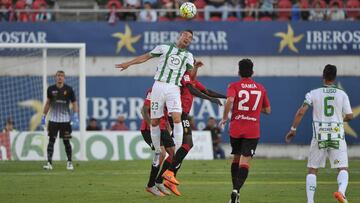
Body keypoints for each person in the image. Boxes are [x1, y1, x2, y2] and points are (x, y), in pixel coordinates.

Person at [116, 30, 199, 184]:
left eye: (191, 38)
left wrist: (196, 68)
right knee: (154, 122)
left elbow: (188, 76)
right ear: (180, 36)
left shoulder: (189, 56)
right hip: (159, 86)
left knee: (176, 117)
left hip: (174, 88)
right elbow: (146, 57)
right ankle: (156, 151)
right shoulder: (164, 47)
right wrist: (128, 63)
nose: (188, 39)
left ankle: (175, 161)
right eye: (186, 36)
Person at [285, 64, 353, 203]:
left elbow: (301, 111)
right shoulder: (342, 94)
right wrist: (340, 119)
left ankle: (310, 201)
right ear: (334, 77)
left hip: (319, 135)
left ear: (323, 76)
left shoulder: (313, 93)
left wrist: (293, 129)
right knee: (343, 168)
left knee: (312, 169)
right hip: (336, 134)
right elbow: (350, 116)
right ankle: (341, 192)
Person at [161, 70, 225, 195]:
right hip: (177, 114)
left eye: (196, 67)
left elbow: (207, 91)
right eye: (193, 66)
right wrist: (210, 99)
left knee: (179, 148)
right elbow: (192, 91)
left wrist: (226, 96)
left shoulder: (194, 81)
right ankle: (169, 172)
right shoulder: (183, 77)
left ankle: (167, 179)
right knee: (188, 144)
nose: (195, 69)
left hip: (182, 115)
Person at [219, 59, 271, 203]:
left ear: (239, 72)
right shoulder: (260, 88)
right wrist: (253, 108)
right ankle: (236, 190)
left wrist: (224, 118)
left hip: (236, 127)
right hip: (252, 129)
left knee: (236, 158)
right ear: (253, 72)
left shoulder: (234, 86)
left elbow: (229, 101)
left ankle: (236, 194)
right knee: (245, 161)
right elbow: (268, 110)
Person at [41, 70, 79, 170]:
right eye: (58, 75)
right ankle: (49, 163)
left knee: (66, 141)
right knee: (51, 141)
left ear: (64, 78)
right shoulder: (51, 89)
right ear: (55, 77)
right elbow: (48, 103)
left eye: (61, 76)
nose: (60, 77)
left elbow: (74, 103)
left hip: (65, 121)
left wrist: (75, 115)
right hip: (53, 120)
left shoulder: (69, 89)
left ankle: (70, 162)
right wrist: (44, 116)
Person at [140, 88, 175, 196]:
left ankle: (159, 181)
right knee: (161, 153)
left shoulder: (170, 92)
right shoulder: (153, 91)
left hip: (163, 128)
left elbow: (167, 114)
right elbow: (144, 110)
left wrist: (169, 128)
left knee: (173, 154)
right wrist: (151, 125)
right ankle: (150, 185)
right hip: (150, 129)